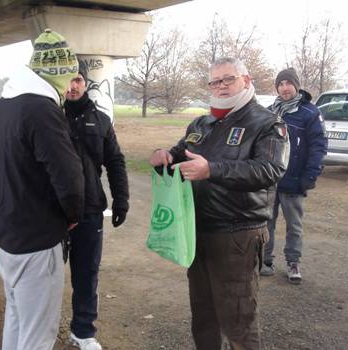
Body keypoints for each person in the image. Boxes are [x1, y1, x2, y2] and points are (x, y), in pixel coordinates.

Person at [150, 57, 290, 350]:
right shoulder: (203, 121)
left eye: (228, 79)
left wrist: (213, 169)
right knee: (203, 315)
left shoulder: (267, 123)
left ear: (246, 81)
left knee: (238, 319)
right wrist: (164, 156)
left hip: (237, 235)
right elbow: (181, 153)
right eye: (215, 81)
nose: (221, 86)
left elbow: (270, 170)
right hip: (197, 231)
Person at [0, 29, 85, 350]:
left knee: (17, 317)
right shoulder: (42, 110)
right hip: (36, 239)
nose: (72, 84)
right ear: (56, 72)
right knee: (38, 334)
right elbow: (69, 179)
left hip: (7, 234)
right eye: (70, 75)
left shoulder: (4, 105)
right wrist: (72, 215)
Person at [63, 65, 129, 350]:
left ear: (85, 83)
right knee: (46, 277)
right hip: (53, 214)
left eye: (77, 79)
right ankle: (37, 328)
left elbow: (115, 162)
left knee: (86, 273)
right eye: (67, 80)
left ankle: (83, 331)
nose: (72, 86)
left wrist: (121, 200)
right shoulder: (48, 117)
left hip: (90, 211)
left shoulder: (101, 120)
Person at [260, 68, 327, 284]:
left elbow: (319, 146)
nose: (284, 88)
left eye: (288, 83)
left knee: (294, 224)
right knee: (266, 222)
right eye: (280, 84)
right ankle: (265, 260)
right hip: (269, 179)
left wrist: (311, 174)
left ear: (296, 86)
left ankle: (293, 262)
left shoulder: (310, 113)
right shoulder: (270, 112)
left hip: (295, 179)